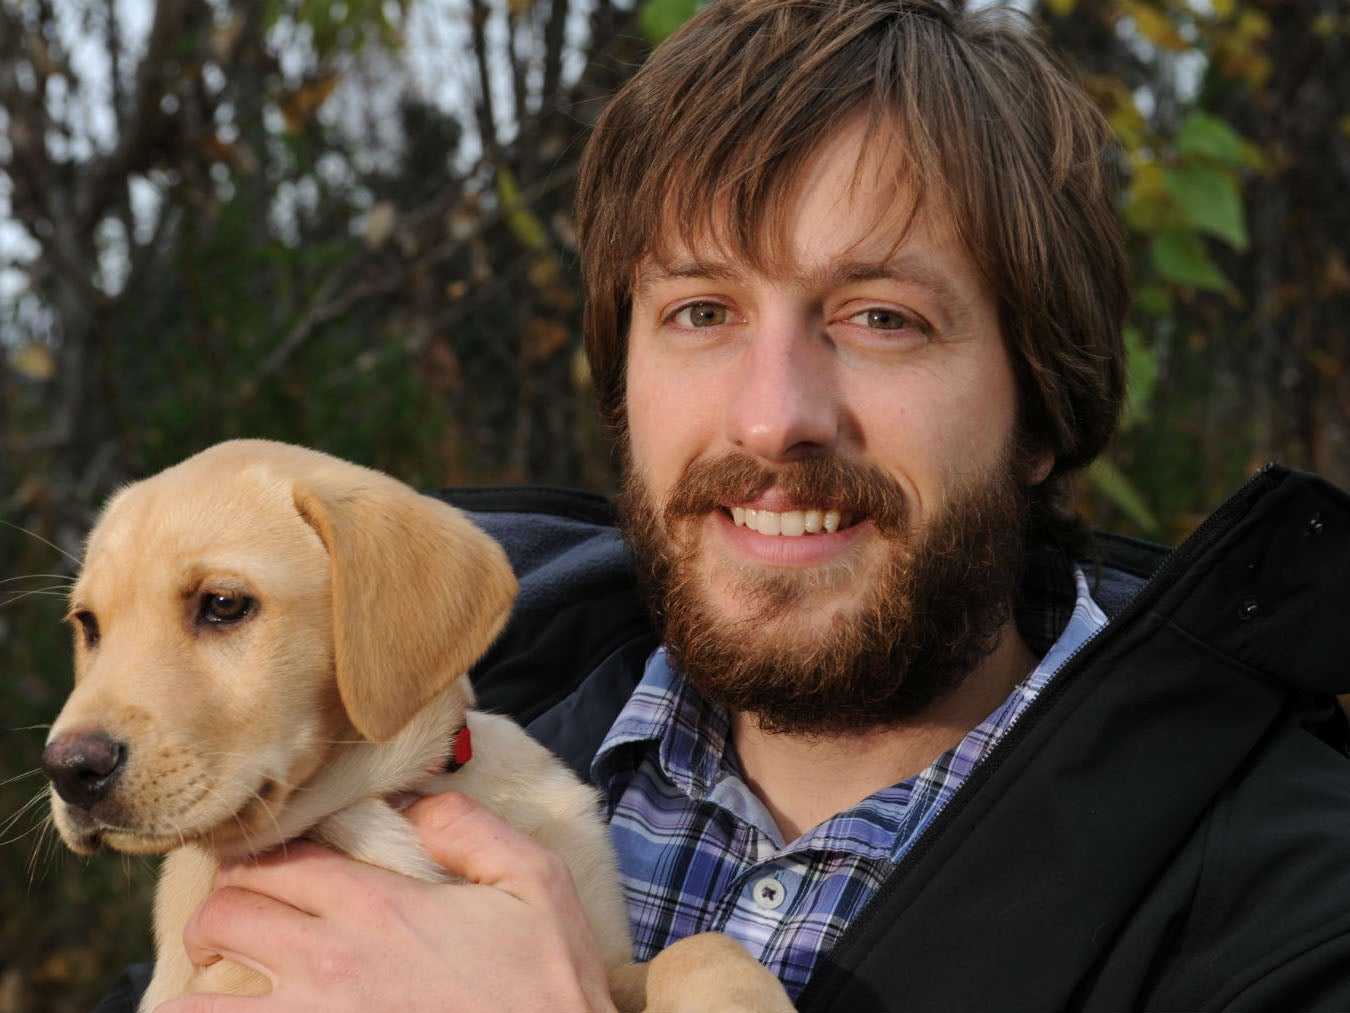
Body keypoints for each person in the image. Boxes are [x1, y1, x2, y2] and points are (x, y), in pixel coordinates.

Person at [97, 1, 1350, 1011]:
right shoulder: (387, 737)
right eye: (701, 311)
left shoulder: (1292, 903)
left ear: (1041, 402)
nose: (773, 415)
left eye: (881, 318)